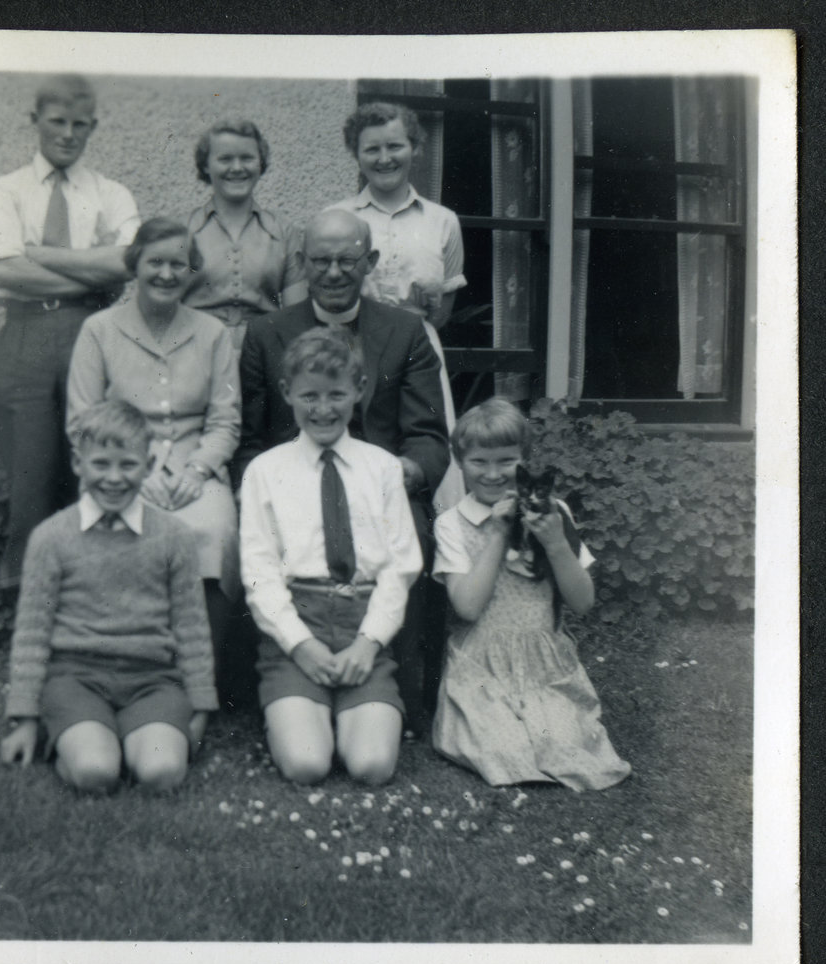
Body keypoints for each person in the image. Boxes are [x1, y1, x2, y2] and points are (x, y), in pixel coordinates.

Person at [236, 208, 449, 732]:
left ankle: (405, 691)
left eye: (348, 260)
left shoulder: (405, 332)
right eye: (321, 260)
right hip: (294, 484)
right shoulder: (266, 333)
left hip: (383, 483)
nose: (333, 272)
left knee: (417, 535)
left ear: (370, 262)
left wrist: (402, 474)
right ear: (303, 262)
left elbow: (429, 436)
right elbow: (248, 439)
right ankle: (264, 686)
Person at [0, 399, 217, 793]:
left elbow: (191, 625)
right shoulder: (51, 537)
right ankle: (84, 741)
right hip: (75, 678)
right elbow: (32, 633)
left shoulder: (174, 536)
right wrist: (26, 718)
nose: (114, 478)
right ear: (78, 464)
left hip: (152, 679)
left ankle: (126, 737)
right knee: (95, 772)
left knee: (162, 772)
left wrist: (200, 706)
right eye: (101, 464)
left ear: (149, 466)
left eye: (128, 465)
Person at [0, 74, 141, 579]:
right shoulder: (6, 190)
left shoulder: (109, 193)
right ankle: (28, 608)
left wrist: (41, 256)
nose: (68, 134)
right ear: (35, 121)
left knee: (92, 464)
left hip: (93, 334)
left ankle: (89, 600)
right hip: (24, 336)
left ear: (93, 126)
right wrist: (89, 278)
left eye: (79, 124)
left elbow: (128, 262)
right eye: (57, 122)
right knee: (29, 477)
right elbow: (4, 269)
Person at [239, 330, 422, 784]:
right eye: (310, 396)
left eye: (337, 394)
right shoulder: (265, 471)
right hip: (299, 624)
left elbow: (401, 566)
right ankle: (303, 708)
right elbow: (259, 572)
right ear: (287, 394)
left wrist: (369, 642)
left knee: (372, 766)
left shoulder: (382, 468)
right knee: (307, 764)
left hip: (363, 624)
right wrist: (300, 645)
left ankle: (350, 708)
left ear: (360, 390)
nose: (324, 408)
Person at [66, 217, 241, 690]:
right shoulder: (99, 330)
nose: (166, 274)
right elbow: (82, 419)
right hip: (118, 469)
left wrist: (199, 469)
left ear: (192, 271)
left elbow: (225, 421)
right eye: (155, 262)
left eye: (178, 265)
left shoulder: (212, 333)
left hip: (194, 470)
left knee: (215, 529)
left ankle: (198, 682)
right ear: (135, 266)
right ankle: (125, 675)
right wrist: (130, 474)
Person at [431, 399, 631, 791]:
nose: (493, 474)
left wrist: (555, 543)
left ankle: (553, 722)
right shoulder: (452, 524)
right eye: (479, 462)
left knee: (564, 746)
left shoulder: (554, 513)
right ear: (460, 462)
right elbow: (468, 608)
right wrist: (498, 533)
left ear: (524, 461)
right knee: (503, 750)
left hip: (544, 663)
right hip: (481, 664)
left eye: (506, 461)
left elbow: (583, 602)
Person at [330, 102, 467, 514]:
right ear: (356, 154)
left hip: (417, 353)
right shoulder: (335, 217)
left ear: (416, 148)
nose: (384, 158)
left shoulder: (442, 221)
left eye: (395, 146)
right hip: (348, 346)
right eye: (371, 149)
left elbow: (441, 314)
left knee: (420, 458)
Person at [183, 119, 306, 349]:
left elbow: (295, 319)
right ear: (206, 165)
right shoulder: (182, 229)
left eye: (247, 158)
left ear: (260, 163)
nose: (237, 167)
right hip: (195, 350)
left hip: (263, 352)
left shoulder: (284, 232)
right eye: (225, 159)